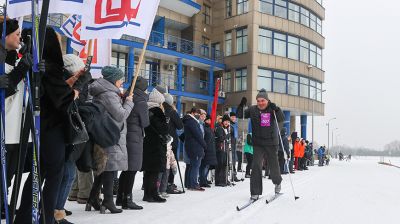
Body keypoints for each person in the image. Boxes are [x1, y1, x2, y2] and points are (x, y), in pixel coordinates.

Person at [15, 27, 80, 224]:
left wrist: (72, 82)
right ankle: (46, 217)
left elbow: (52, 91)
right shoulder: (51, 66)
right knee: (54, 175)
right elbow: (62, 98)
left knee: (37, 173)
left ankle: (25, 217)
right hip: (52, 128)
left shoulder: (35, 64)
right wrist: (77, 88)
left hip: (39, 126)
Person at [86, 66, 134, 214]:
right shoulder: (109, 94)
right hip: (111, 133)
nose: (121, 83)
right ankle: (107, 201)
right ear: (113, 80)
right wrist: (129, 102)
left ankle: (93, 199)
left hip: (106, 131)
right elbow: (120, 115)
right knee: (110, 168)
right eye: (120, 80)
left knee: (104, 168)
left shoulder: (106, 92)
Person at [0, 18, 33, 218]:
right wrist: (19, 71)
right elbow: (5, 90)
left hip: (14, 128)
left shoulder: (10, 55)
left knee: (9, 174)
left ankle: (3, 202)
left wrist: (25, 64)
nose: (19, 37)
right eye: (16, 34)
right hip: (5, 126)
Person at [237, 89, 285, 200]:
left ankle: (277, 183)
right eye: (258, 101)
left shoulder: (272, 109)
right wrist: (241, 105)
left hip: (271, 143)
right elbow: (240, 115)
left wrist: (276, 109)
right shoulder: (253, 110)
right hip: (258, 143)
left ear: (267, 100)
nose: (260, 103)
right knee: (256, 166)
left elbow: (281, 118)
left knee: (273, 166)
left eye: (262, 100)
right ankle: (255, 192)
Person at [116, 76, 149, 210]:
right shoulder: (140, 100)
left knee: (126, 168)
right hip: (135, 136)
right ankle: (127, 199)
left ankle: (120, 197)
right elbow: (145, 122)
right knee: (132, 169)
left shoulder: (127, 96)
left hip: (125, 134)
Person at [142, 88, 169, 203]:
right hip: (156, 144)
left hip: (147, 142)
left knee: (149, 171)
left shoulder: (146, 108)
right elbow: (162, 129)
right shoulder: (157, 110)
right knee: (155, 171)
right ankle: (153, 194)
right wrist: (166, 123)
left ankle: (147, 194)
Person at [162, 93, 184, 193]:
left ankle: (162, 184)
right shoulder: (172, 111)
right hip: (171, 141)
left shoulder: (160, 109)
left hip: (162, 140)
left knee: (163, 163)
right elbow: (180, 125)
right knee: (171, 163)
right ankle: (169, 183)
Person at [183, 108, 206, 191]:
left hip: (193, 146)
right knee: (195, 166)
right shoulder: (191, 122)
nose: (199, 116)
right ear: (193, 113)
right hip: (195, 147)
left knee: (193, 165)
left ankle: (190, 184)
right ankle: (193, 184)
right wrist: (204, 145)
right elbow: (198, 135)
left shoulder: (190, 121)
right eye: (197, 114)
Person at [199, 115, 217, 188]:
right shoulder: (203, 128)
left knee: (207, 166)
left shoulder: (210, 128)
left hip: (211, 150)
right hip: (206, 149)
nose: (209, 121)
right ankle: (202, 181)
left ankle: (204, 180)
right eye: (207, 120)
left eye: (210, 120)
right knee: (203, 166)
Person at [214, 115, 231, 186]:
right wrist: (228, 135)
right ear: (222, 122)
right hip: (220, 149)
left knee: (225, 165)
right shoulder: (219, 128)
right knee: (220, 165)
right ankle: (218, 181)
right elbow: (221, 138)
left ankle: (224, 179)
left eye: (228, 122)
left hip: (225, 149)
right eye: (225, 121)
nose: (226, 123)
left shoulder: (227, 129)